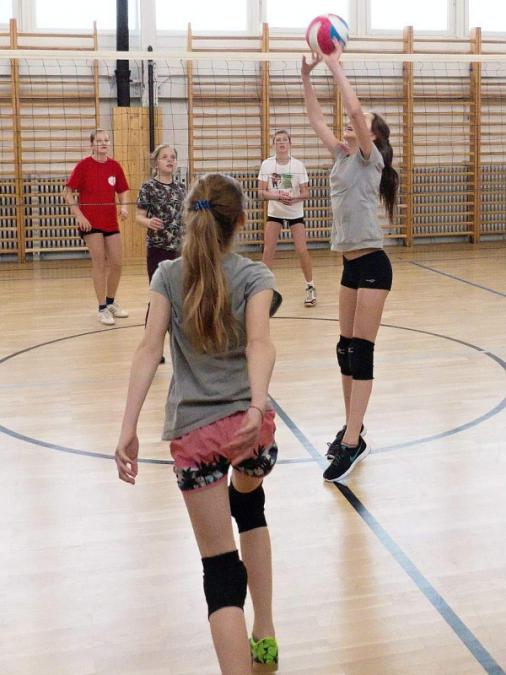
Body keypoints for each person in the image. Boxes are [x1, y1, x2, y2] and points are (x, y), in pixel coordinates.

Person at [115, 173, 281, 674]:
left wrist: (127, 427)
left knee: (220, 569)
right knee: (249, 506)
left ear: (189, 219)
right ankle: (265, 630)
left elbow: (148, 349)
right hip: (249, 430)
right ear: (242, 222)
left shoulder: (167, 275)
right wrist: (255, 408)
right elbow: (259, 343)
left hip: (195, 436)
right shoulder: (255, 276)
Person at [302, 47, 399, 483]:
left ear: (372, 137)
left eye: (358, 126)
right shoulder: (342, 156)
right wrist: (307, 75)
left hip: (374, 264)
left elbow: (356, 111)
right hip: (349, 266)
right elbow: (315, 120)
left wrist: (335, 64)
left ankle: (353, 439)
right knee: (344, 349)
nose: (347, 125)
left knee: (361, 351)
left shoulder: (368, 158)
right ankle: (351, 429)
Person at [64, 128, 130, 325]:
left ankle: (110, 302)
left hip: (110, 221)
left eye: (106, 140)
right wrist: (79, 216)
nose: (103, 143)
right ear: (92, 144)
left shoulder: (114, 166)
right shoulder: (83, 166)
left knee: (117, 263)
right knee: (99, 262)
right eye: (99, 140)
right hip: (90, 223)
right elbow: (67, 193)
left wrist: (124, 207)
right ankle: (102, 308)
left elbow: (123, 190)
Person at [258, 129, 316, 307]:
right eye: (278, 140)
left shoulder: (298, 165)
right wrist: (277, 196)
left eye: (284, 140)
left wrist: (294, 198)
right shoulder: (267, 165)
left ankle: (310, 287)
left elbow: (306, 193)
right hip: (275, 212)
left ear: (290, 144)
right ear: (273, 144)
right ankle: (263, 290)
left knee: (301, 249)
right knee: (268, 250)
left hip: (294, 212)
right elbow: (261, 192)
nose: (281, 143)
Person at [136, 144, 186, 284]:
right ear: (155, 163)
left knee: (179, 288)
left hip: (179, 247)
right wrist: (149, 222)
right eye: (164, 157)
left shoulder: (181, 188)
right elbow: (138, 216)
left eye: (173, 157)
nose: (170, 160)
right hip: (158, 247)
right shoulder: (148, 187)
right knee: (158, 287)